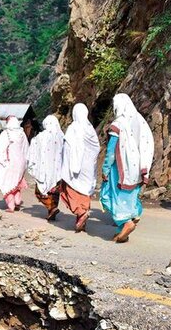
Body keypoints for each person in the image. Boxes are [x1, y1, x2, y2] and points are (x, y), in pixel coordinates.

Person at [100, 93, 154, 243]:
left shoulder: (117, 125)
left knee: (113, 196)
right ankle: (121, 230)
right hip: (136, 166)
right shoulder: (138, 122)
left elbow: (111, 152)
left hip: (120, 168)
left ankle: (126, 223)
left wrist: (105, 169)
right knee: (128, 197)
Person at [60, 104, 100, 232]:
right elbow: (96, 148)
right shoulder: (90, 129)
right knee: (85, 190)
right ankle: (82, 218)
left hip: (75, 166)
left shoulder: (73, 128)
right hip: (88, 168)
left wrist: (68, 163)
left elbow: (68, 147)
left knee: (71, 189)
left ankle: (81, 213)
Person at [27, 115, 64, 221]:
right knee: (55, 191)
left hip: (43, 169)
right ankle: (52, 211)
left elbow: (33, 152)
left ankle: (51, 208)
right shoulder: (62, 136)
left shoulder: (40, 137)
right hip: (58, 170)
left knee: (40, 191)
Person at [0, 115, 30, 212]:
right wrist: (25, 162)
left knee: (7, 183)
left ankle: (11, 206)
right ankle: (17, 201)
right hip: (20, 162)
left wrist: (2, 161)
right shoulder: (22, 134)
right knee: (16, 182)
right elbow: (26, 148)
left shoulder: (6, 133)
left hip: (9, 162)